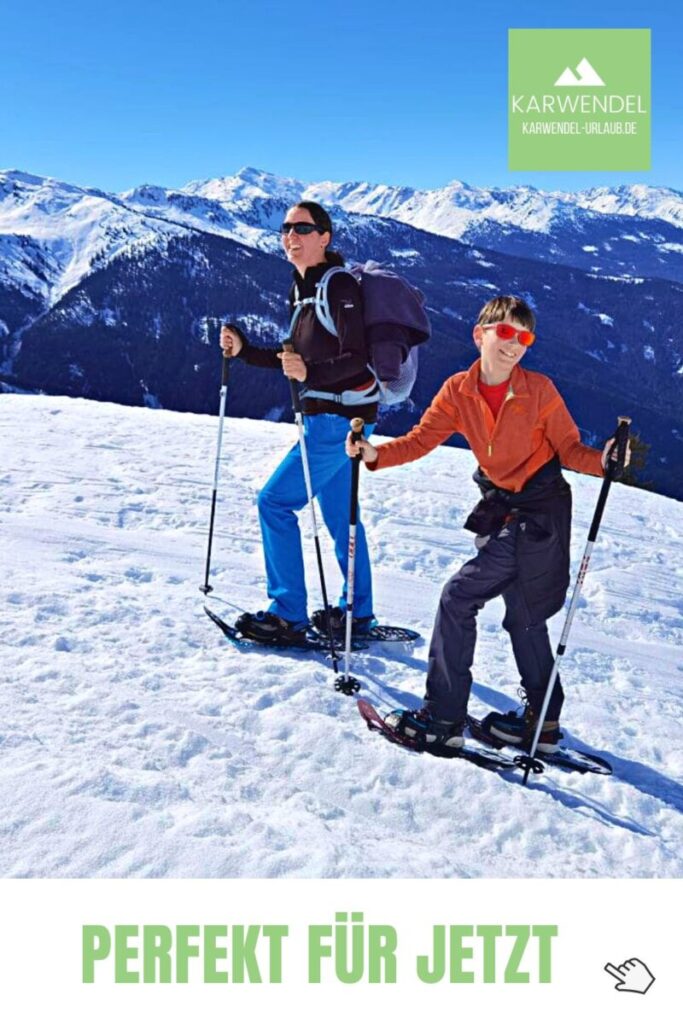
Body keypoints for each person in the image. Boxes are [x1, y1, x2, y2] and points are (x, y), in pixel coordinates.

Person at [347, 294, 630, 754]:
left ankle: (443, 717)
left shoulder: (539, 391)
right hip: (503, 508)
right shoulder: (459, 390)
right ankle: (545, 722)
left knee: (460, 598)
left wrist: (604, 461)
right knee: (524, 613)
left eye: (524, 337)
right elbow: (421, 440)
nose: (515, 344)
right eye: (506, 332)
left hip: (540, 513)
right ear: (480, 334)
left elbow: (570, 449)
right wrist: (376, 454)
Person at [220, 201, 378, 644]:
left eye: (302, 229)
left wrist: (312, 375)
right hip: (337, 420)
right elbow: (297, 360)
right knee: (342, 519)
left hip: (337, 421)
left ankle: (288, 613)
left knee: (274, 502)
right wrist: (246, 352)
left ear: (325, 237)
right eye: (286, 229)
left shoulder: (339, 285)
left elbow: (357, 358)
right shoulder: (302, 288)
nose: (291, 236)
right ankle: (357, 614)